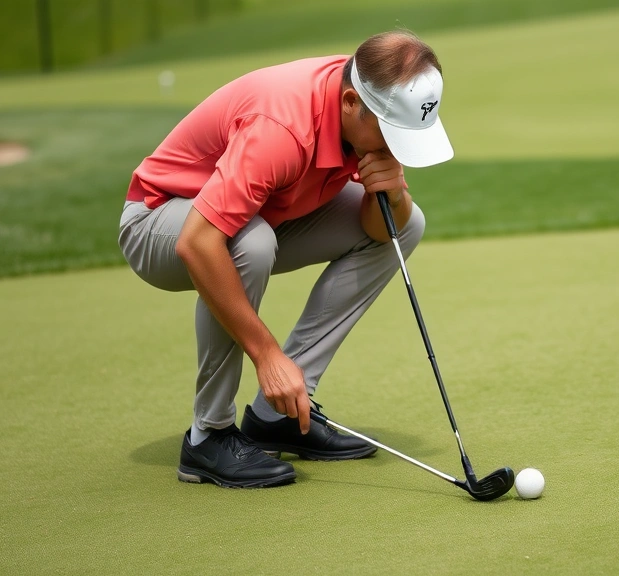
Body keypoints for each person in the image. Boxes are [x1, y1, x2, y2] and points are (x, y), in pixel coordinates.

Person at [118, 31, 454, 488]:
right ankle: (208, 437)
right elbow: (198, 243)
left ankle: (276, 418)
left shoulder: (367, 97)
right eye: (391, 135)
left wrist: (392, 192)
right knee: (249, 243)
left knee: (407, 222)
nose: (396, 149)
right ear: (351, 102)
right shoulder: (281, 127)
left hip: (258, 214)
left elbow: (379, 233)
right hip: (158, 220)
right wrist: (267, 355)